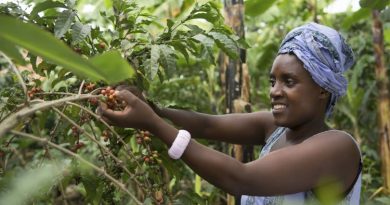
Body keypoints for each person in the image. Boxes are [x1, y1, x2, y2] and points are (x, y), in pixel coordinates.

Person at [98, 22, 362, 204]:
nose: (275, 91)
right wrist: (150, 106)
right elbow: (207, 126)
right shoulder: (274, 127)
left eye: (289, 82)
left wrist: (153, 123)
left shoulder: (337, 148)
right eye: (273, 81)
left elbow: (241, 178)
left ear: (323, 90)